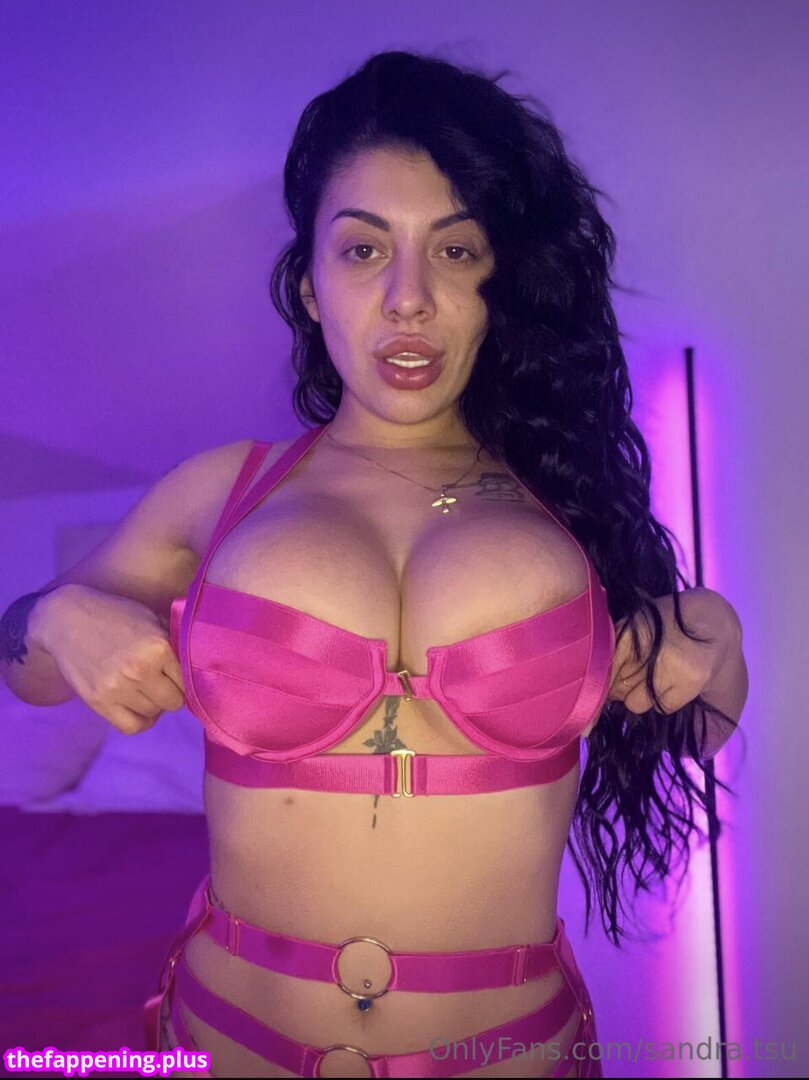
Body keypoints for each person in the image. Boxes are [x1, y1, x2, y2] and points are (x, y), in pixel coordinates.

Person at [1, 49, 747, 1080]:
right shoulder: (222, 490)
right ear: (309, 285)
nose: (407, 300)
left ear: (498, 283)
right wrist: (50, 617)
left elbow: (696, 730)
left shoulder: (566, 510)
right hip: (230, 1042)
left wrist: (719, 649)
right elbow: (27, 674)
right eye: (362, 250)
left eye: (454, 251)